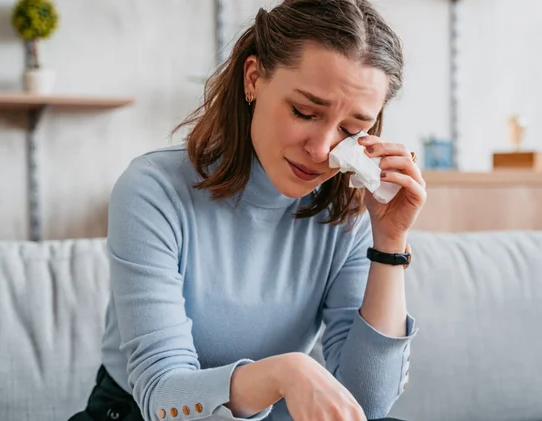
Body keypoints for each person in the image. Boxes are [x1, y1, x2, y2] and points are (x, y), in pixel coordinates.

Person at [69, 0, 425, 420]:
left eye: (351, 129)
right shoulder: (153, 190)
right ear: (253, 79)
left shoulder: (346, 215)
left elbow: (368, 405)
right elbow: (162, 396)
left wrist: (389, 243)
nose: (322, 150)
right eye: (304, 112)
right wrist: (285, 372)